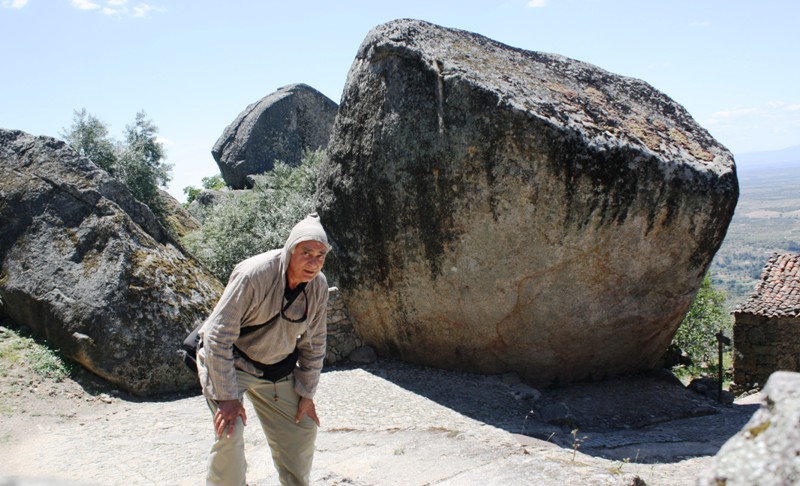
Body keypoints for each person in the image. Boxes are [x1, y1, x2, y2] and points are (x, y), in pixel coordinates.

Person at [197, 213, 330, 486]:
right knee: (230, 432)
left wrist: (306, 393)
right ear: (290, 249)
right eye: (306, 252)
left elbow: (314, 344)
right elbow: (217, 336)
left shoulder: (318, 286)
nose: (313, 262)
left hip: (277, 368)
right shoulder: (254, 274)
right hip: (233, 363)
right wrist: (227, 397)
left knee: (303, 426)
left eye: (320, 255)